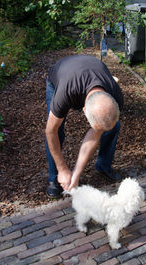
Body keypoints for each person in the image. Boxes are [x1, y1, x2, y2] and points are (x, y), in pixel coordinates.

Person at [45, 54, 124, 198]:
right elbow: (50, 131)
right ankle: (54, 178)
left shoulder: (116, 96)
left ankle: (103, 166)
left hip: (88, 70)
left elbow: (95, 135)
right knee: (58, 131)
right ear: (84, 109)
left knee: (113, 127)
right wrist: (63, 168)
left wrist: (76, 174)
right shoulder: (65, 93)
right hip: (62, 74)